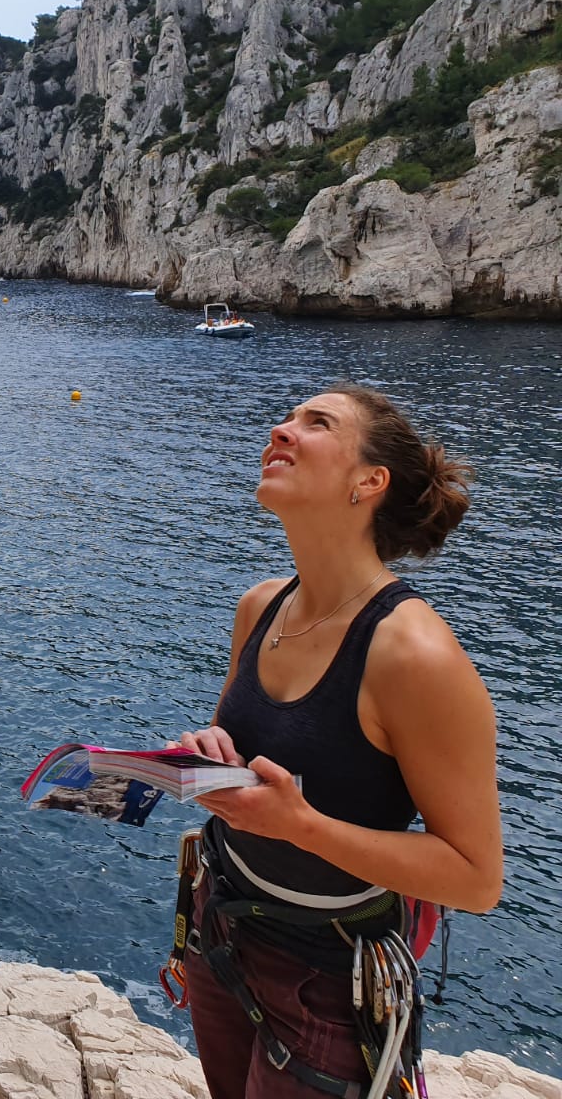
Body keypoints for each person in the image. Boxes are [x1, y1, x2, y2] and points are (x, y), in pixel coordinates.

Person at [176, 385, 503, 1099]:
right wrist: (212, 755)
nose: (280, 429)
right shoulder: (261, 607)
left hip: (330, 978)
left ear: (369, 482)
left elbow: (477, 879)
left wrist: (303, 826)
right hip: (219, 926)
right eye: (286, 416)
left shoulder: (414, 656)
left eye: (316, 423)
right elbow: (256, 749)